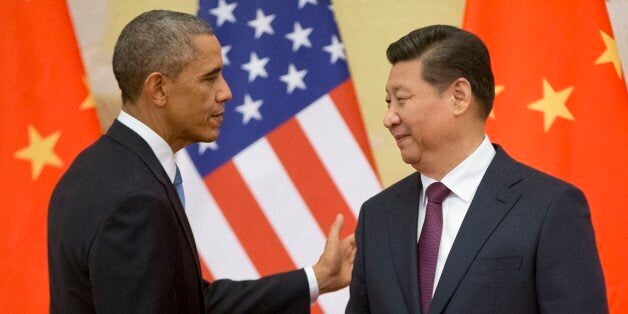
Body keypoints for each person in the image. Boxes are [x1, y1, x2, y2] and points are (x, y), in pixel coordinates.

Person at [48, 10, 355, 313]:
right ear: (158, 89)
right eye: (209, 78)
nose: (226, 92)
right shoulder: (136, 200)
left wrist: (318, 278)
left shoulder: (96, 167)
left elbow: (192, 303)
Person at [346, 25, 607, 313]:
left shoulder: (549, 207)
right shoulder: (378, 216)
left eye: (401, 99)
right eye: (388, 102)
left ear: (459, 96)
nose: (389, 118)